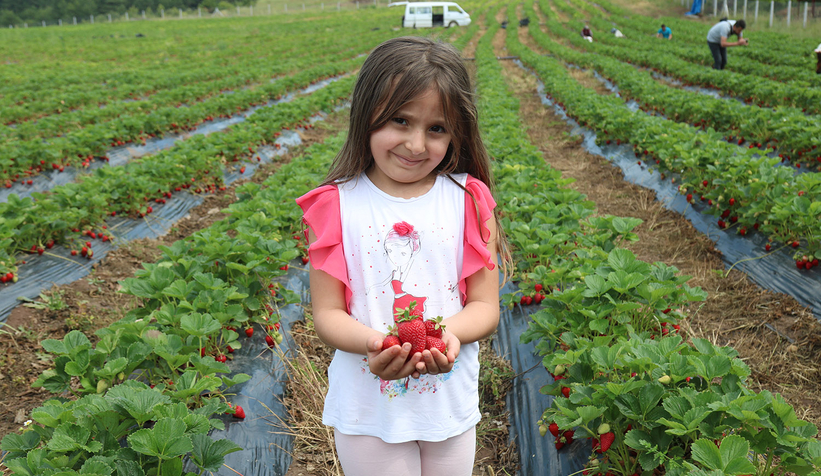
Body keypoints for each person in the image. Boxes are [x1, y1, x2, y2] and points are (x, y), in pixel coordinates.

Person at [296, 36, 512, 476]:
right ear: (366, 114)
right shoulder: (336, 205)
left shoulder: (468, 198)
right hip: (368, 410)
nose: (416, 145)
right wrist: (378, 344)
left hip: (448, 407)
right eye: (400, 120)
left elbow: (485, 306)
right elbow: (328, 313)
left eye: (437, 128)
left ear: (457, 134)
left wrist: (443, 336)